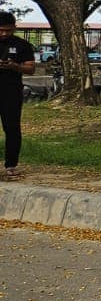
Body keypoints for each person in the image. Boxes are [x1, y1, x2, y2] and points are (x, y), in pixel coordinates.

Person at [0, 11, 37, 180]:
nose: (4, 34)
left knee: (12, 128)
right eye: (1, 30)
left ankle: (11, 165)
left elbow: (30, 68)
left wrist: (15, 66)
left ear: (14, 28)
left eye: (8, 30)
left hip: (11, 92)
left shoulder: (22, 45)